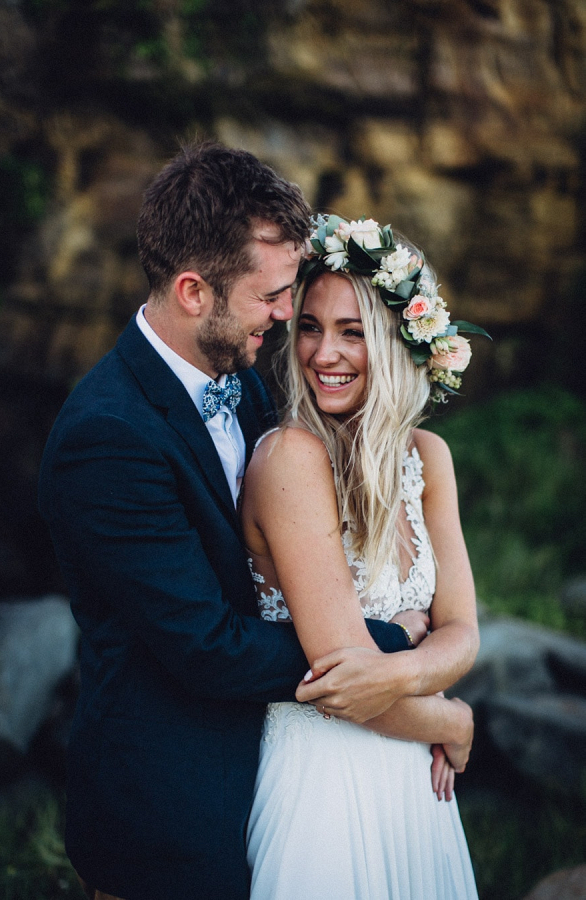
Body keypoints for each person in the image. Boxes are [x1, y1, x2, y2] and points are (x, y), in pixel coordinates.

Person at [39, 146, 434, 900]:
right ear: (193, 291)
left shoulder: (246, 384)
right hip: (167, 806)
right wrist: (386, 637)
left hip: (278, 777)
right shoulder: (106, 436)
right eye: (273, 296)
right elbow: (209, 648)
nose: (288, 316)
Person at [243, 215, 485, 898]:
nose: (325, 353)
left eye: (353, 331)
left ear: (398, 339)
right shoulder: (290, 458)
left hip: (413, 785)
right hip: (323, 782)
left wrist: (407, 656)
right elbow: (340, 683)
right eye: (311, 327)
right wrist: (451, 717)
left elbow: (464, 632)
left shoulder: (429, 459)